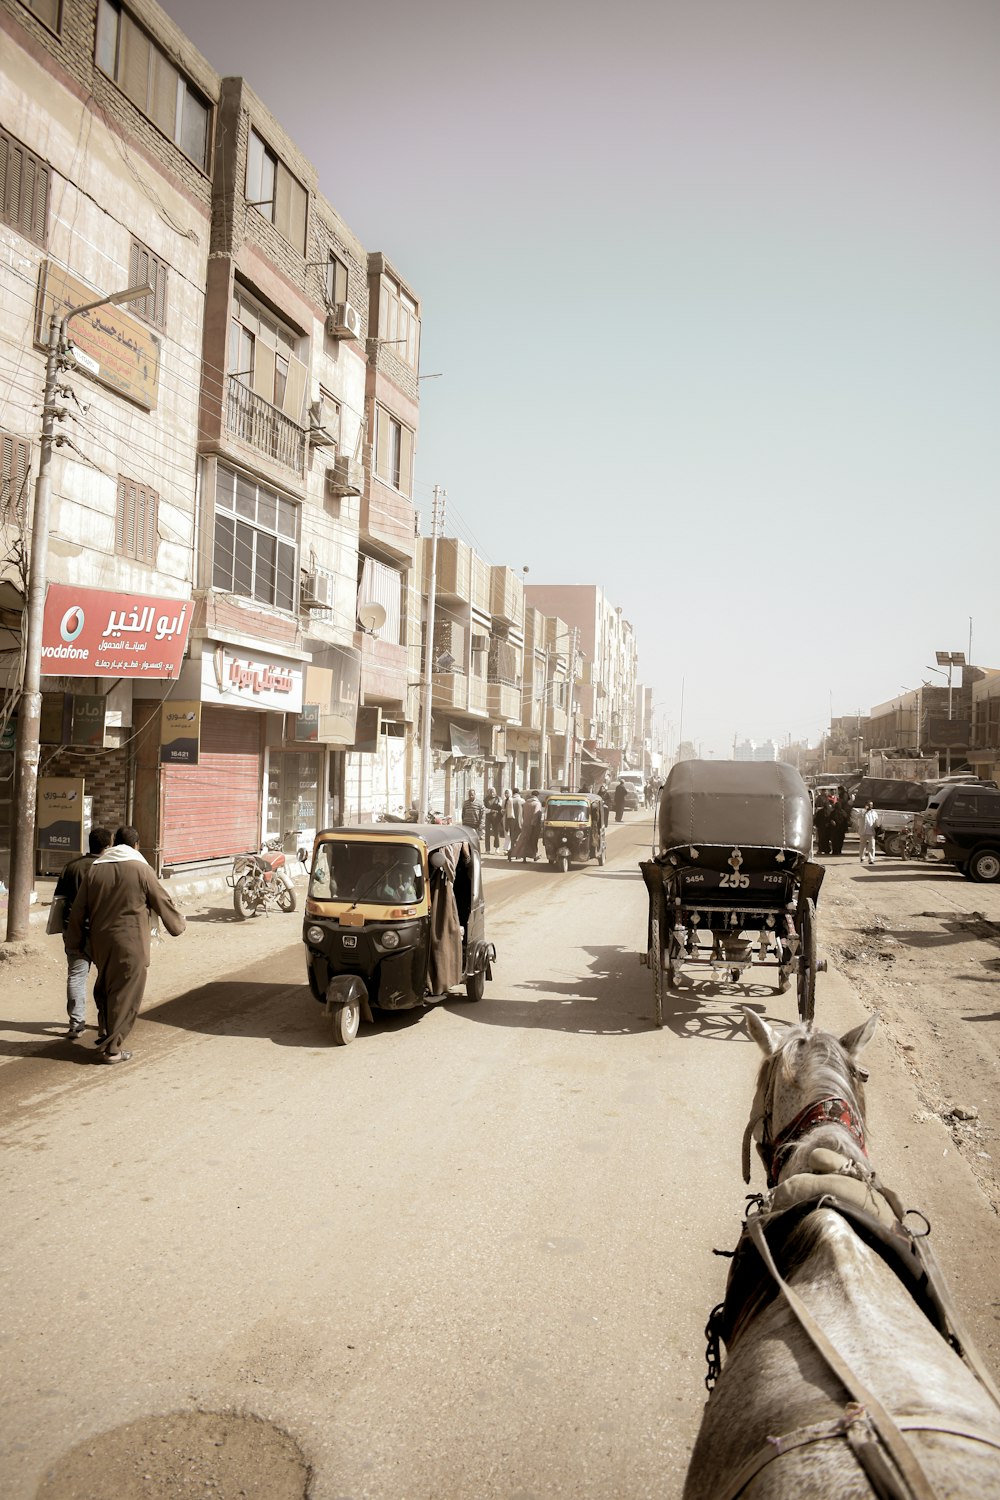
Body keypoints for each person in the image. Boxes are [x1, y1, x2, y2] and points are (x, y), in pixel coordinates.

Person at [66, 826, 186, 1064]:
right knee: (127, 994)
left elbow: (78, 910)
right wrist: (177, 925)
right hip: (131, 943)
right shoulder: (141, 869)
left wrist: (75, 941)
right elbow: (161, 900)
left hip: (100, 942)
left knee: (107, 987)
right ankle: (113, 1049)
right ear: (137, 845)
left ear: (114, 843)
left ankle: (105, 1032)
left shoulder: (95, 870)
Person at [53, 826, 113, 1038]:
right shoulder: (107, 868)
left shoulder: (71, 867)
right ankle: (105, 1024)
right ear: (108, 846)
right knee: (106, 978)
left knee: (76, 977)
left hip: (74, 931)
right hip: (101, 933)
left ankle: (76, 1024)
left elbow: (58, 900)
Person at [511, 791, 543, 861]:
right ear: (538, 796)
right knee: (533, 841)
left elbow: (522, 814)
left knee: (524, 840)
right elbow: (536, 814)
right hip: (534, 826)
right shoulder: (537, 804)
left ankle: (523, 856)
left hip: (525, 824)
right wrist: (533, 824)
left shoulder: (526, 803)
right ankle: (534, 856)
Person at [830, 785, 852, 856]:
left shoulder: (833, 812)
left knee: (834, 840)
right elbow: (846, 821)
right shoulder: (844, 813)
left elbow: (830, 820)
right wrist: (846, 829)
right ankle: (839, 851)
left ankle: (835, 851)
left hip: (835, 830)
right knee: (840, 840)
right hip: (841, 830)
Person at [859, 801, 880, 867]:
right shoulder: (862, 811)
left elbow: (876, 821)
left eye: (871, 805)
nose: (870, 806)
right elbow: (858, 816)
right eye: (869, 805)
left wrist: (877, 825)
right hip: (863, 832)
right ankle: (862, 857)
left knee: (872, 847)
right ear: (866, 805)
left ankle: (871, 859)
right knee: (862, 846)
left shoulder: (874, 813)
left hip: (871, 832)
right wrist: (865, 810)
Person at [507, 787, 524, 861]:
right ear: (518, 792)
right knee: (519, 838)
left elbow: (506, 813)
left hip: (511, 822)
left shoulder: (509, 800)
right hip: (520, 822)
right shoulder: (522, 801)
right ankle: (517, 854)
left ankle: (511, 854)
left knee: (512, 838)